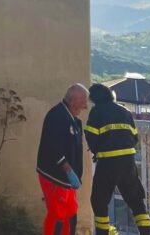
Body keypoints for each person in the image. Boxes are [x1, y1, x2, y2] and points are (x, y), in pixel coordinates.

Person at [85, 83, 150, 235]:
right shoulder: (125, 111)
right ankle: (147, 232)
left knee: (99, 201)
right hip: (128, 164)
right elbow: (134, 137)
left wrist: (98, 151)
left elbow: (91, 137)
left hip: (107, 163)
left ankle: (103, 233)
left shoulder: (96, 112)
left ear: (95, 98)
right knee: (136, 201)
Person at [36, 83, 88, 235]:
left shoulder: (75, 120)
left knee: (71, 213)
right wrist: (69, 171)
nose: (85, 106)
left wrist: (76, 175)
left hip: (68, 180)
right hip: (55, 176)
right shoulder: (57, 116)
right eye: (83, 101)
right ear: (72, 101)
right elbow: (55, 148)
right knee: (57, 215)